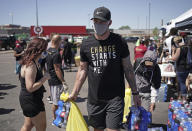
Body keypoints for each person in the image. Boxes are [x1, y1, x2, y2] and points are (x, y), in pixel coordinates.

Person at [68, 6, 141, 131]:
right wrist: (75, 92)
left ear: (109, 22)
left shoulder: (119, 41)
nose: (98, 24)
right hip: (94, 99)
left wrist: (135, 93)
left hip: (115, 98)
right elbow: (83, 69)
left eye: (102, 22)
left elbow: (128, 68)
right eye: (96, 21)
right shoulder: (86, 43)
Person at [19, 38, 50, 131]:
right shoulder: (31, 65)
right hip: (31, 100)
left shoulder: (33, 62)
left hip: (31, 99)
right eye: (45, 49)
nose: (46, 51)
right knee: (41, 128)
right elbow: (30, 88)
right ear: (39, 50)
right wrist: (44, 78)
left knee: (28, 125)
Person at [46, 35, 68, 120]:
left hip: (51, 79)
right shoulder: (56, 53)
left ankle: (57, 117)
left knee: (57, 101)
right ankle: (55, 119)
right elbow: (57, 69)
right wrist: (63, 81)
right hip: (56, 80)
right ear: (58, 42)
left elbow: (45, 65)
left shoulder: (48, 51)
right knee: (56, 102)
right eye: (61, 41)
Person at [167, 36, 192, 100]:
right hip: (187, 67)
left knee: (182, 83)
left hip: (181, 68)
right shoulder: (187, 47)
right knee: (184, 82)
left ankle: (184, 98)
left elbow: (174, 58)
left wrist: (172, 52)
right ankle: (182, 96)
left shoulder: (179, 49)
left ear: (177, 42)